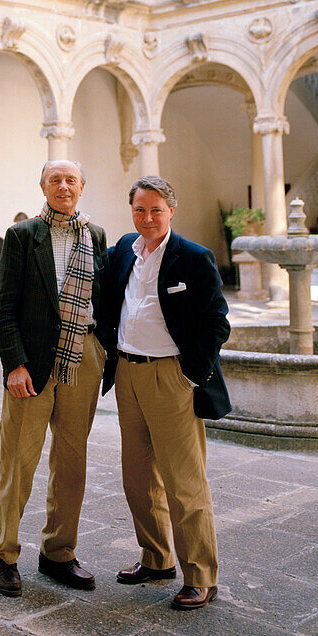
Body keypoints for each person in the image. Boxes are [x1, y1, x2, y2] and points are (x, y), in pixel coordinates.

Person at [100, 176, 231, 611]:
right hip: (128, 375)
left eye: (156, 209)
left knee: (184, 483)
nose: (148, 217)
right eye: (140, 209)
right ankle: (156, 559)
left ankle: (201, 576)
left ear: (171, 211)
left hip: (171, 378)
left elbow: (217, 322)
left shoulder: (194, 257)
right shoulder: (123, 249)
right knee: (137, 478)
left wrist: (190, 376)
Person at [0, 160, 109, 597]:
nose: (64, 186)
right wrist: (14, 365)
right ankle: (5, 554)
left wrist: (104, 350)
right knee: (19, 461)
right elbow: (3, 308)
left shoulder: (95, 236)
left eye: (71, 180)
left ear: (82, 187)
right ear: (42, 186)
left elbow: (105, 296)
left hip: (82, 358)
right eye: (55, 180)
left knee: (72, 460)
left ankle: (59, 552)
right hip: (33, 366)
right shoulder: (23, 236)